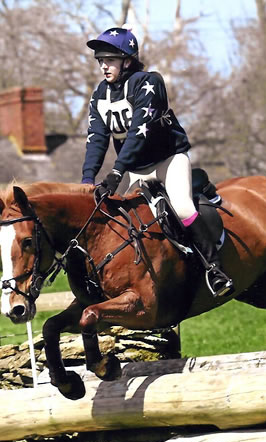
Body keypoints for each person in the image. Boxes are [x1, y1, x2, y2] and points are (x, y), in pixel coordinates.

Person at [81, 26, 233, 298]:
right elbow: (96, 139)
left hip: (167, 160)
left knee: (184, 208)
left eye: (110, 60)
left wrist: (116, 171)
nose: (104, 66)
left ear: (127, 60)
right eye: (101, 61)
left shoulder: (149, 82)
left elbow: (140, 132)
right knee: (105, 215)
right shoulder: (99, 96)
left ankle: (214, 269)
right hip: (133, 167)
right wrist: (87, 180)